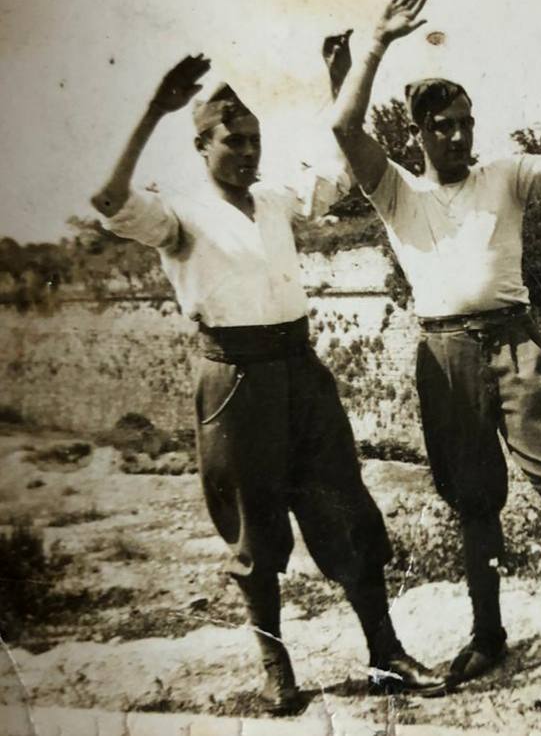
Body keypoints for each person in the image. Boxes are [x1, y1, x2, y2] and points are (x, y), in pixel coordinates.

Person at [88, 39, 444, 714]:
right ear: (201, 146)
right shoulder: (179, 214)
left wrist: (339, 75)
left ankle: (385, 653)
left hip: (301, 374)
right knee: (255, 531)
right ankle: (276, 669)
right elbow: (108, 199)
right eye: (233, 142)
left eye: (253, 140)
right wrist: (152, 110)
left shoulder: (274, 199)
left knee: (345, 506)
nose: (248, 152)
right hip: (234, 380)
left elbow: (345, 162)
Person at [330, 0, 541, 686]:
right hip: (445, 352)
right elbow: (345, 132)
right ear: (418, 133)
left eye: (467, 122)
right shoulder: (397, 192)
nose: (460, 135)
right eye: (443, 126)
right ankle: (487, 634)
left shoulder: (507, 176)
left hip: (513, 341)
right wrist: (374, 45)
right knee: (472, 502)